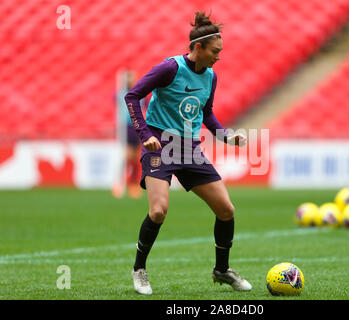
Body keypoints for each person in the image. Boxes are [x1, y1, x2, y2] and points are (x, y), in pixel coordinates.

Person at [124, 11, 251, 295]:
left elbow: (206, 113)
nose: (218, 57)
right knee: (158, 211)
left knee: (226, 209)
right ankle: (139, 270)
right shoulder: (169, 68)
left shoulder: (211, 76)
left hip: (188, 148)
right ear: (198, 48)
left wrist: (227, 137)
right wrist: (145, 136)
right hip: (159, 143)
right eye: (215, 51)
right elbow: (132, 96)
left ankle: (221, 270)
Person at [112, 70, 144, 199]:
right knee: (126, 156)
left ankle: (133, 184)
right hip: (126, 127)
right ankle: (120, 183)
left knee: (135, 158)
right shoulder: (121, 94)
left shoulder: (139, 94)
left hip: (137, 127)